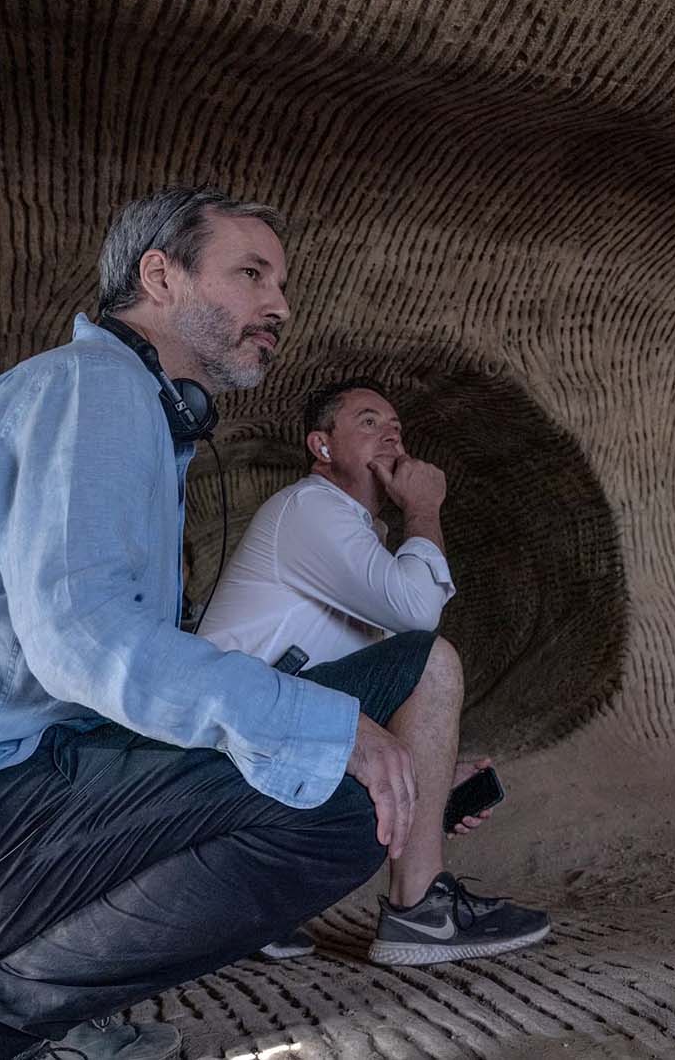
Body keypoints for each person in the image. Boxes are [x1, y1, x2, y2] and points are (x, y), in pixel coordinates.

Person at [0, 187, 418, 1060]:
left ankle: (48, 1015)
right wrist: (331, 734)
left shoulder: (126, 406)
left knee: (328, 741)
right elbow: (82, 643)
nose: (277, 304)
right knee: (333, 804)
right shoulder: (95, 390)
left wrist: (375, 743)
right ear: (158, 276)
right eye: (250, 273)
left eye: (281, 282)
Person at [197, 378, 550, 965]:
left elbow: (386, 699)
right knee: (432, 660)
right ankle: (421, 914)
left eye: (396, 426)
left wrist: (434, 776)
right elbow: (418, 617)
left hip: (265, 746)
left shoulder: (361, 542)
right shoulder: (310, 507)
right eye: (367, 421)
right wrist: (425, 508)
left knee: (411, 712)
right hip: (225, 750)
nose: (391, 431)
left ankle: (241, 903)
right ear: (322, 446)